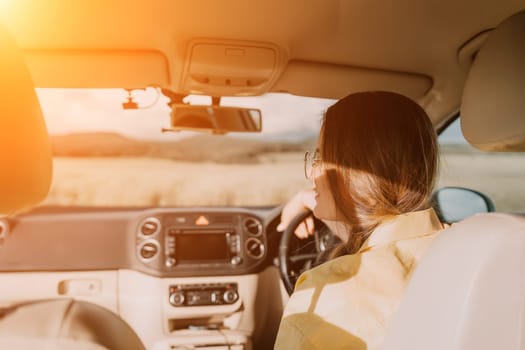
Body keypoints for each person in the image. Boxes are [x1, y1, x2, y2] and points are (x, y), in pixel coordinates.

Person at [274, 91, 443, 350]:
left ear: (359, 170)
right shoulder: (459, 247)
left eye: (320, 158)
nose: (311, 172)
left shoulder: (326, 294)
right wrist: (308, 200)